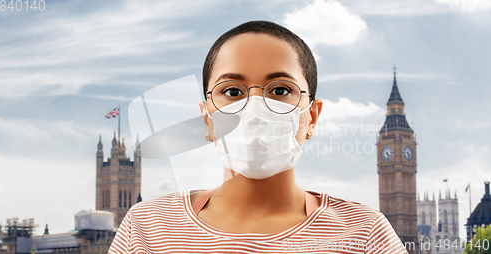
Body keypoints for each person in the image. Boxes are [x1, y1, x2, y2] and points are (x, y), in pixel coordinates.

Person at [109, 21, 409, 254]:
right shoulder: (146, 228)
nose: (254, 108)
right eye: (232, 91)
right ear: (207, 119)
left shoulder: (365, 233)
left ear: (312, 117)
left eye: (279, 91)